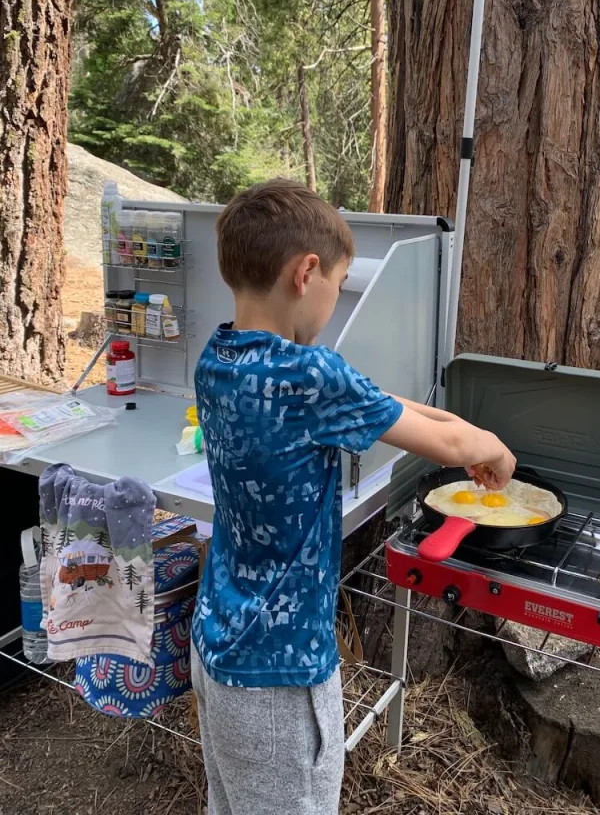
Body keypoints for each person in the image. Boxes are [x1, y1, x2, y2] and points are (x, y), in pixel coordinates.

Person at [191, 179, 517, 815]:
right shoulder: (311, 376)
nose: (336, 303)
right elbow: (445, 447)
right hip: (280, 680)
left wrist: (466, 432)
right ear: (305, 273)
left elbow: (393, 408)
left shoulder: (218, 358)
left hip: (218, 644)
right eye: (339, 285)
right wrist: (495, 450)